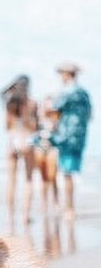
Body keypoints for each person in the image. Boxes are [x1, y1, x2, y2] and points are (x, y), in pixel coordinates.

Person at [51, 62, 92, 220]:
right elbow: (90, 115)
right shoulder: (84, 93)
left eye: (62, 74)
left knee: (67, 173)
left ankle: (69, 209)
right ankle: (69, 208)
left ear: (68, 74)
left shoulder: (67, 92)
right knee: (71, 172)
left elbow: (54, 109)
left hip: (66, 137)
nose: (61, 77)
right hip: (80, 137)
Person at [0, 75, 38, 228]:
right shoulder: (32, 103)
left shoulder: (10, 104)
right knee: (28, 179)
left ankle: (10, 216)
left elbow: (7, 126)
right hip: (27, 140)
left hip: (13, 140)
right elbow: (35, 126)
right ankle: (25, 216)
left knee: (11, 180)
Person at [32, 95, 60, 216]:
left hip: (52, 149)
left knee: (53, 178)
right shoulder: (38, 118)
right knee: (43, 179)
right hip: (40, 149)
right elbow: (33, 132)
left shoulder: (55, 117)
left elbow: (58, 131)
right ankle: (44, 205)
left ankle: (55, 203)